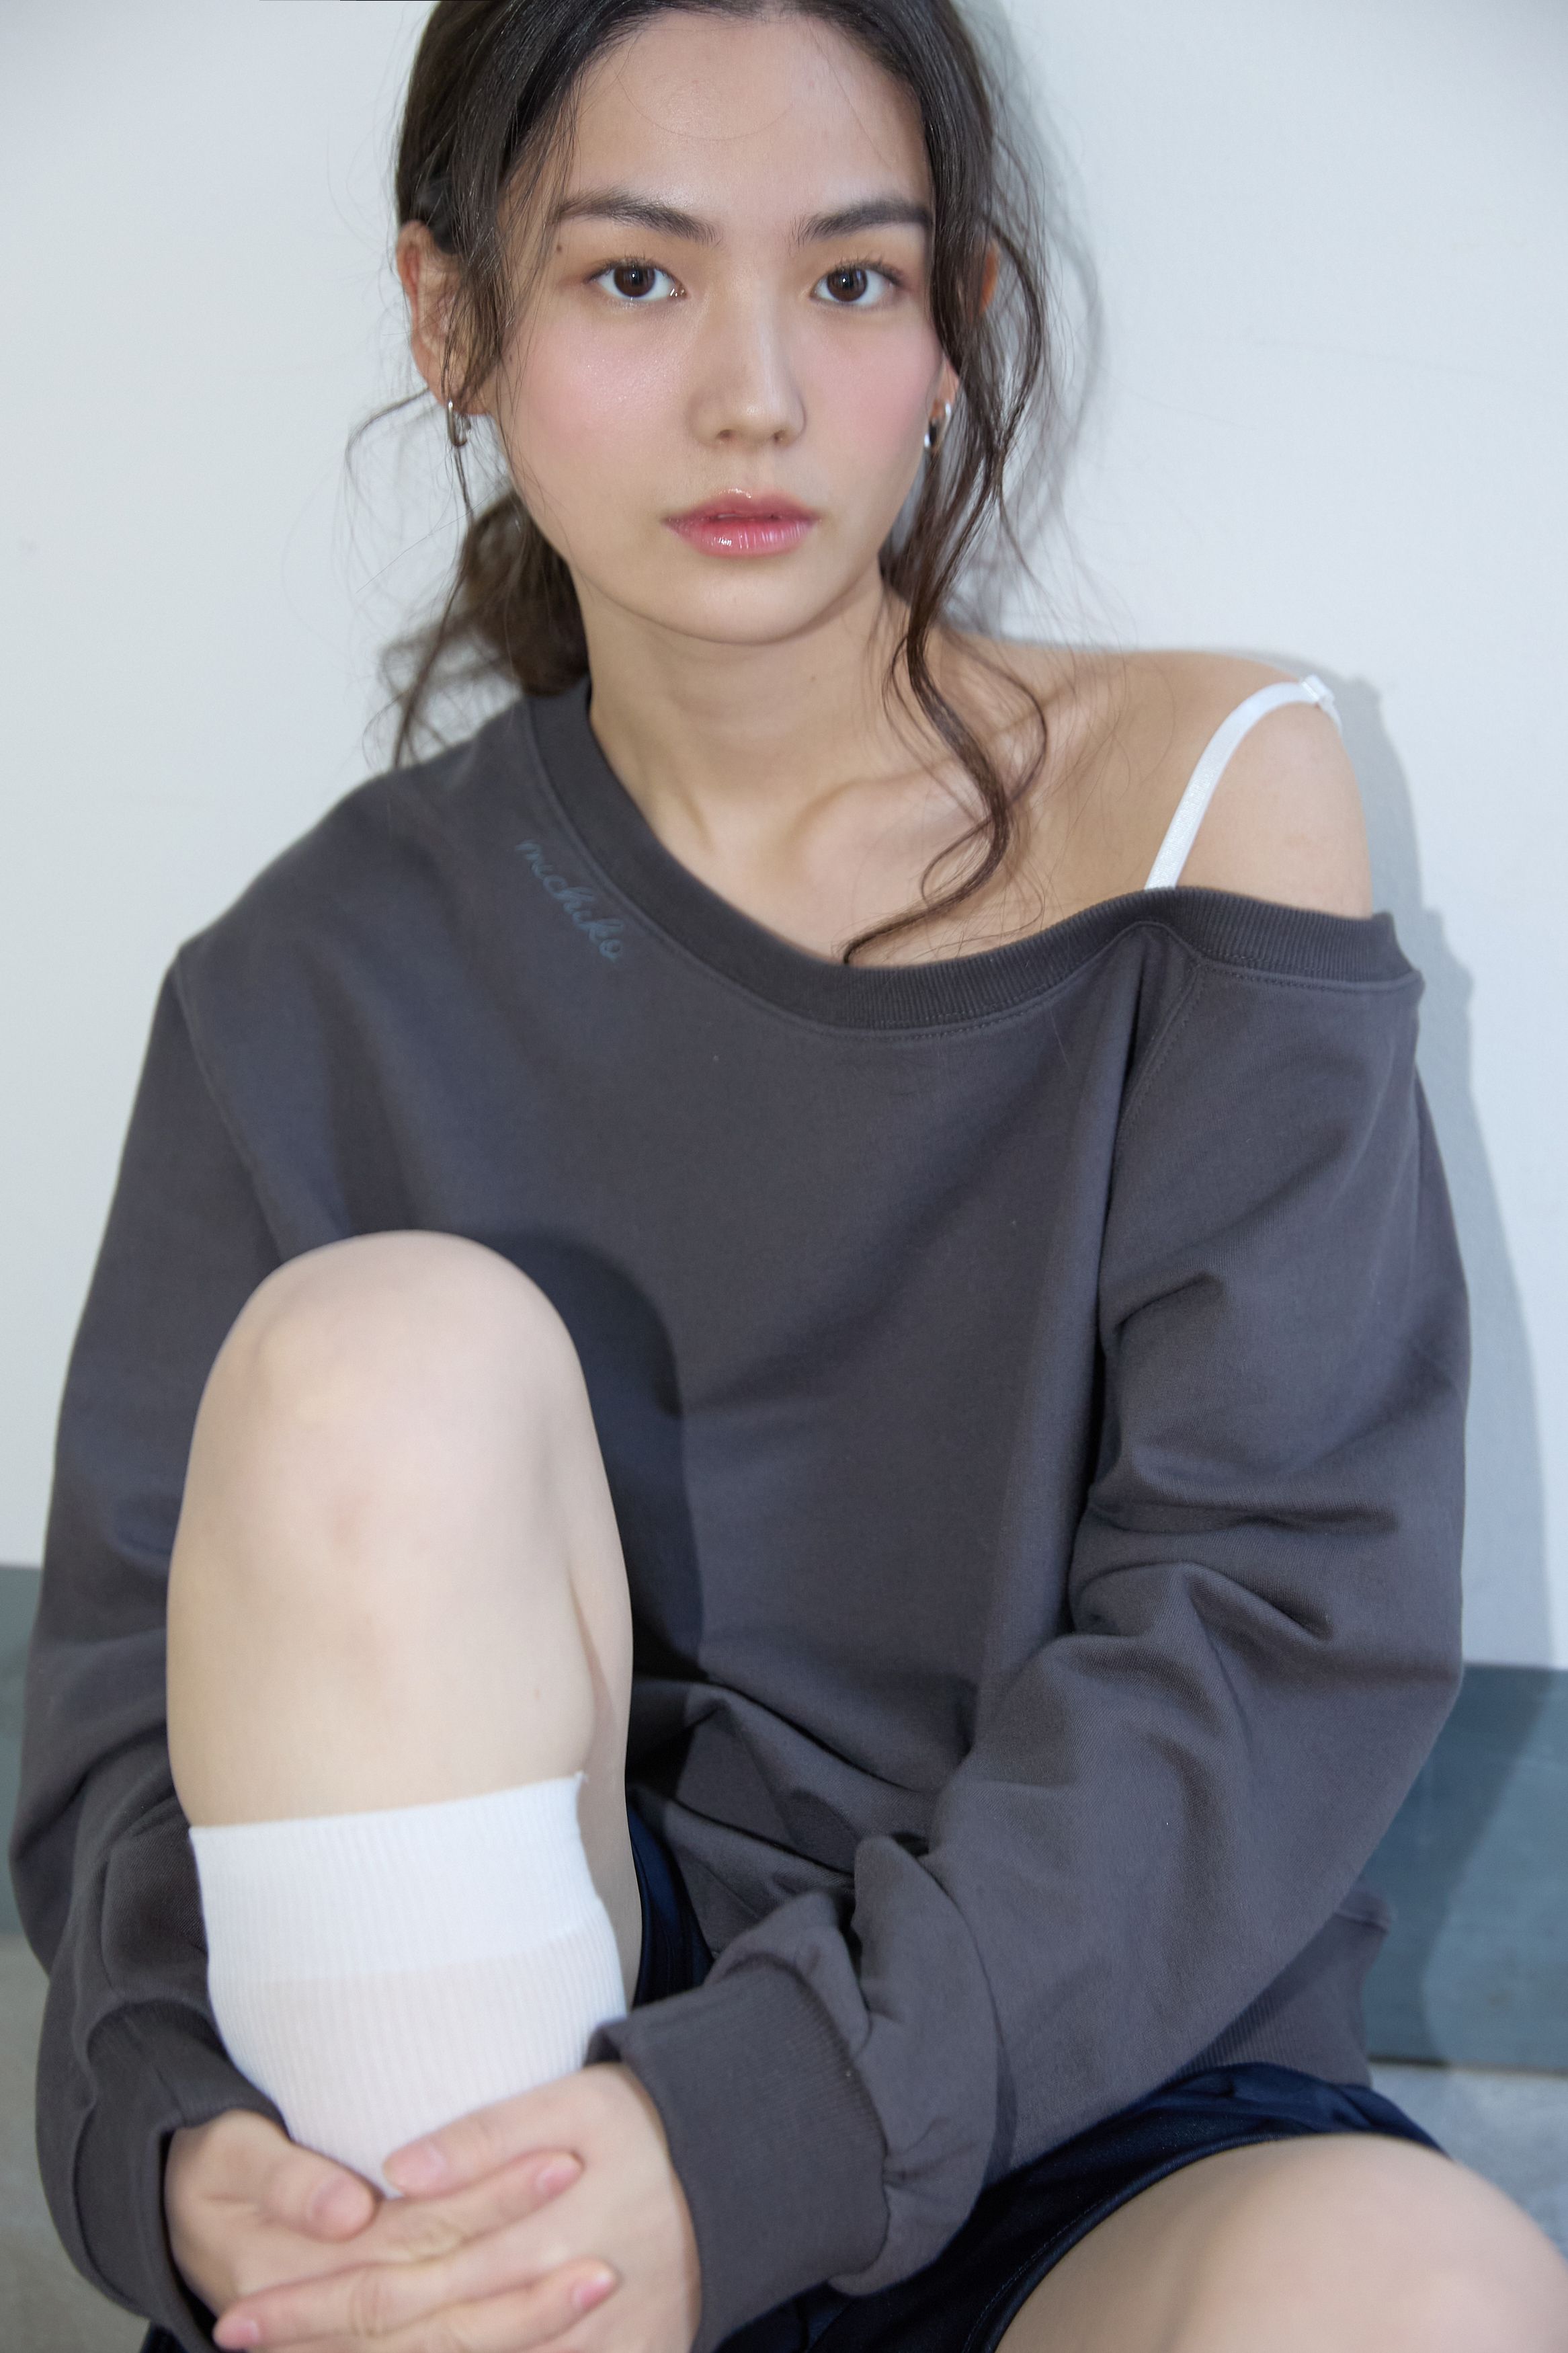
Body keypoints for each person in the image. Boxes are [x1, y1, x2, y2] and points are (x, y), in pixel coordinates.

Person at [11, 3, 1568, 2350]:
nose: (755, 394)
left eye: (850, 279)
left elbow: (1271, 1622)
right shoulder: (305, 978)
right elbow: (131, 1738)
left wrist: (758, 2138)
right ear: (453, 317)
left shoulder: (1204, 803)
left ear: (955, 328)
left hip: (1082, 2109)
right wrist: (178, 2139)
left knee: (1426, 2296)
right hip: (497, 2120)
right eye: (636, 276)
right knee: (374, 1363)